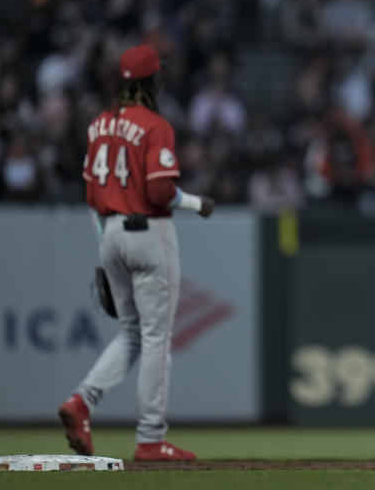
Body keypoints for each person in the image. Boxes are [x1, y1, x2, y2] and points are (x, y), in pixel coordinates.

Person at [58, 45, 215, 462]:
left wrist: (105, 247)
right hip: (149, 233)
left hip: (109, 232)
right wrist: (197, 203)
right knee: (156, 337)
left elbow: (92, 194)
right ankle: (150, 439)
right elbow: (160, 191)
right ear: (152, 81)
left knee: (131, 332)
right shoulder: (155, 125)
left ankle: (81, 401)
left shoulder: (97, 126)